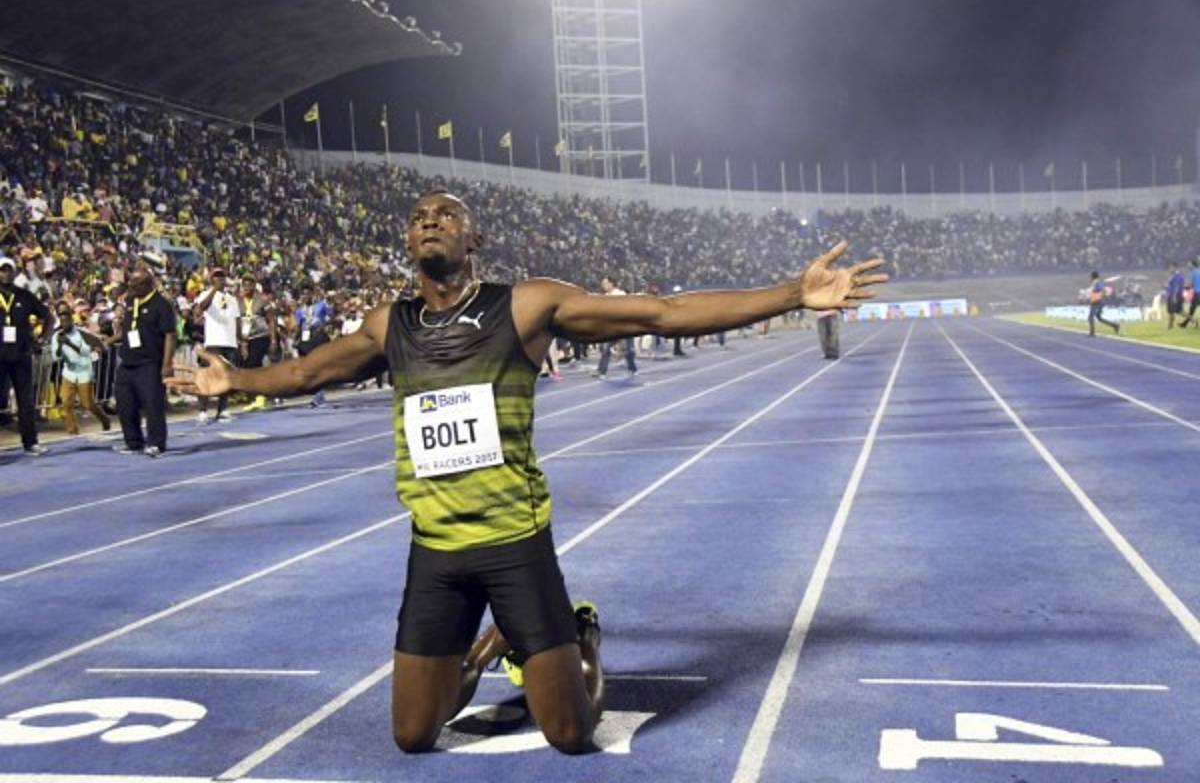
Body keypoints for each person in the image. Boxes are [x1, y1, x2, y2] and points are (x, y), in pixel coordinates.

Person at [168, 189, 886, 755]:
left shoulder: (527, 304)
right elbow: (308, 368)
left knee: (571, 736)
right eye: (419, 217)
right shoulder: (391, 325)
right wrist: (234, 379)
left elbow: (662, 314)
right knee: (413, 736)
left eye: (447, 216)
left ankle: (583, 636)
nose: (429, 222)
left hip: (515, 541)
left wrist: (793, 293)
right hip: (437, 550)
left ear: (473, 239)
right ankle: (487, 646)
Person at [110, 259, 176, 457]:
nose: (130, 287)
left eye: (134, 285)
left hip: (149, 362)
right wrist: (109, 339)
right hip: (128, 361)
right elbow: (128, 330)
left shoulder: (162, 305)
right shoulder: (131, 301)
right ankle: (133, 442)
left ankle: (156, 443)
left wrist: (166, 363)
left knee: (153, 404)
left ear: (147, 285)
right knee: (124, 404)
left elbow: (170, 335)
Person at [0, 255, 54, 455]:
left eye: (8, 269)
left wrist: (42, 339)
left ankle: (30, 442)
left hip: (20, 356)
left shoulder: (24, 295)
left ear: (14, 272)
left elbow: (48, 317)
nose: (5, 273)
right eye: (2, 270)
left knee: (26, 402)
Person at [50, 301, 111, 434]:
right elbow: (56, 357)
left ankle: (104, 419)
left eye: (66, 319)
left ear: (71, 319)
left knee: (88, 404)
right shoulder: (56, 336)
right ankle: (72, 431)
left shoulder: (81, 333)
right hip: (69, 372)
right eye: (62, 320)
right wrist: (60, 345)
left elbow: (86, 351)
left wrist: (69, 343)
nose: (64, 323)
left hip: (84, 371)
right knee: (66, 403)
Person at [193, 268, 241, 423]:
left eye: (222, 276)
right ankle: (202, 410)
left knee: (226, 378)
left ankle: (223, 409)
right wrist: (214, 290)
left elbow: (237, 320)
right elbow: (200, 309)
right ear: (211, 279)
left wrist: (241, 341)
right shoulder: (205, 294)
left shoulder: (232, 299)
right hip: (214, 342)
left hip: (230, 342)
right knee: (208, 377)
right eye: (216, 277)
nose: (220, 279)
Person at [237, 273, 278, 412]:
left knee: (254, 363)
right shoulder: (238, 302)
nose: (247, 287)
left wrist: (273, 340)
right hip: (246, 338)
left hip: (261, 336)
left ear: (255, 286)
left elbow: (271, 320)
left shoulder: (262, 300)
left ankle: (260, 397)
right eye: (245, 284)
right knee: (247, 366)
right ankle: (257, 395)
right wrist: (241, 341)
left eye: (250, 284)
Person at [592, 275, 638, 380]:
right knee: (605, 349)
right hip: (610, 327)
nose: (603, 286)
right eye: (602, 284)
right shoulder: (605, 296)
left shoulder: (620, 294)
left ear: (612, 283)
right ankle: (601, 371)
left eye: (605, 283)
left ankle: (632, 368)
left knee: (627, 350)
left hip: (624, 326)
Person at [1086, 271, 1119, 337]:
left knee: (1090, 317)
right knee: (1099, 318)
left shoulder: (1097, 283)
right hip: (1095, 302)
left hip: (1097, 302)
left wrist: (1103, 296)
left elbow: (1103, 290)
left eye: (1091, 276)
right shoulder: (1095, 283)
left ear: (1092, 277)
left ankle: (1092, 333)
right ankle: (1115, 325)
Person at [1177, 259, 1200, 328]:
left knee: (1191, 309)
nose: (1188, 265)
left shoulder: (1192, 273)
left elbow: (1190, 284)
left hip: (1197, 293)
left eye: (1189, 264)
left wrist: (1183, 288)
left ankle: (1185, 324)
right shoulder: (1199, 272)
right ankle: (1185, 324)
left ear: (1193, 265)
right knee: (1192, 309)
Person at [1165, 264, 1185, 328]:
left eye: (1171, 268)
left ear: (1175, 267)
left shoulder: (1177, 276)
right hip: (1172, 295)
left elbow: (1176, 287)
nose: (1170, 269)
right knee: (1174, 311)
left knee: (1176, 311)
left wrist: (1174, 296)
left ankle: (1170, 326)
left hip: (1174, 295)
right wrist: (1166, 287)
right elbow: (1172, 286)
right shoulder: (1172, 276)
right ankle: (1170, 325)